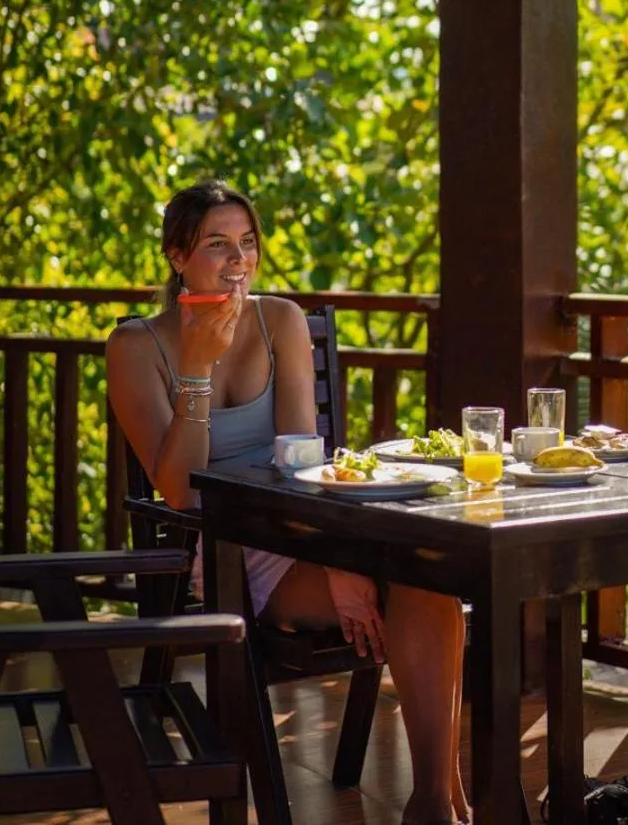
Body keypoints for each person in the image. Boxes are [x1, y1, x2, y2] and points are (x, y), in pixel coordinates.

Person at [107, 178, 468, 825]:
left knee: (432, 576)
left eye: (247, 243)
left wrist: (334, 555)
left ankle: (433, 803)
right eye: (217, 244)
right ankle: (444, 807)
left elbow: (304, 461)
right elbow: (181, 491)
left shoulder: (281, 320)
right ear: (176, 256)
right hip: (222, 542)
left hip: (300, 521)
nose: (238, 259)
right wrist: (196, 366)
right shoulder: (137, 346)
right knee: (421, 591)